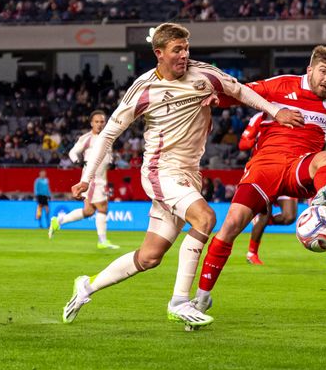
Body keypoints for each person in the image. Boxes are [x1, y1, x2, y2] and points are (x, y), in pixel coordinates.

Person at [61, 22, 303, 327]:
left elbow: (241, 91)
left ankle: (87, 286)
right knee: (205, 218)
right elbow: (108, 135)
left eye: (186, 48)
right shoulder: (144, 88)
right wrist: (87, 177)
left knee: (150, 257)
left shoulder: (204, 74)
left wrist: (274, 111)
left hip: (189, 173)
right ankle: (179, 302)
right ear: (159, 53)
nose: (184, 55)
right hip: (160, 171)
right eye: (178, 49)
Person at [193, 47, 326, 321]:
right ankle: (202, 296)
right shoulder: (282, 85)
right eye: (323, 71)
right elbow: (240, 92)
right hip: (264, 169)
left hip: (301, 168)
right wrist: (217, 99)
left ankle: (323, 196)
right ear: (310, 70)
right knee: (232, 225)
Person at [49, 110, 120, 249]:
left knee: (88, 211)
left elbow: (107, 156)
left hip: (102, 176)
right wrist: (78, 162)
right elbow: (72, 152)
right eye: (96, 122)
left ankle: (58, 221)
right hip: (92, 178)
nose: (99, 124)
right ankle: (102, 241)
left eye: (102, 122)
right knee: (103, 207)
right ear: (91, 123)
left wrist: (111, 163)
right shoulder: (86, 138)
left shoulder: (108, 137)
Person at [239, 112, 297, 265]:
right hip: (265, 169)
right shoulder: (260, 117)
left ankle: (262, 220)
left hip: (288, 168)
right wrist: (253, 140)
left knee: (289, 217)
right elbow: (243, 144)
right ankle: (252, 253)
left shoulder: (295, 113)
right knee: (266, 212)